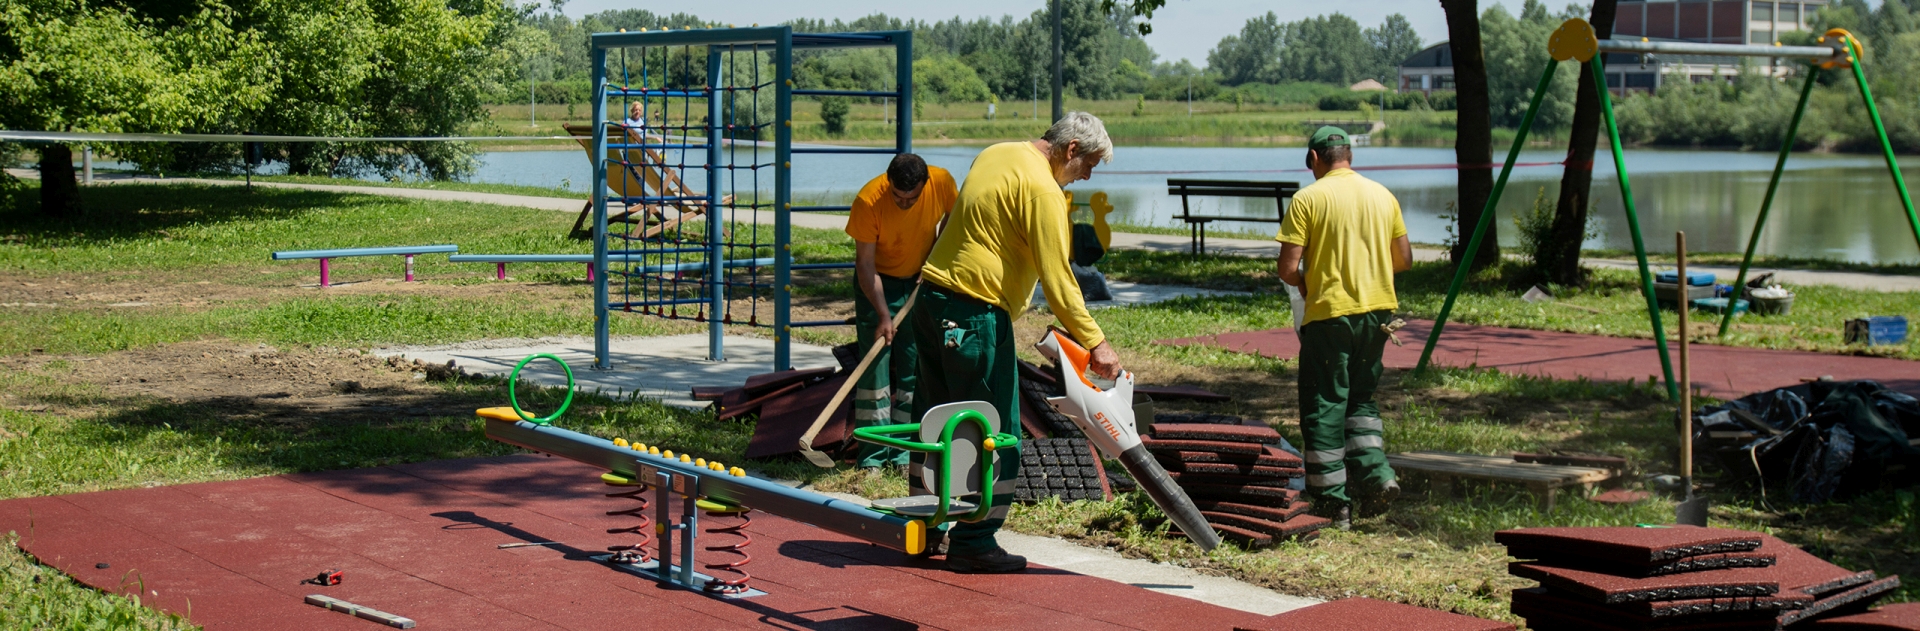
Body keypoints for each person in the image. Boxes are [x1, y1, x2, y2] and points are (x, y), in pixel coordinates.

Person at [915, 111, 1121, 573]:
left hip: (931, 301)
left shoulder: (996, 154)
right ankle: (974, 540)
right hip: (975, 315)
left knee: (934, 419)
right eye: (1088, 164)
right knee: (991, 430)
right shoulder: (1045, 192)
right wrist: (1097, 344)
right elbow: (1061, 282)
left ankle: (924, 528)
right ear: (1071, 150)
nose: (1086, 175)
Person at [1275, 126, 1414, 530]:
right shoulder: (1382, 195)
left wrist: (1306, 281)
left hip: (1330, 316)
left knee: (1324, 405)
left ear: (1314, 159)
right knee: (1362, 401)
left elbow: (1287, 268)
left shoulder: (1308, 198)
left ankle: (1332, 502)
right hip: (1379, 315)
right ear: (1349, 156)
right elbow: (1403, 259)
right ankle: (1376, 478)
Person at [846, 153, 958, 468]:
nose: (904, 203)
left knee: (914, 368)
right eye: (898, 196)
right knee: (875, 371)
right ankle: (872, 457)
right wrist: (883, 314)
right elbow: (865, 264)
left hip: (919, 283)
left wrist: (935, 256)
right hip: (878, 284)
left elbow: (954, 217)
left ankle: (905, 453)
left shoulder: (942, 182)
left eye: (912, 197)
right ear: (888, 182)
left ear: (925, 184)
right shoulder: (869, 200)